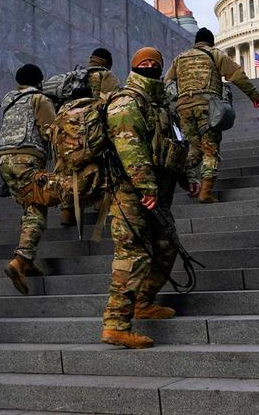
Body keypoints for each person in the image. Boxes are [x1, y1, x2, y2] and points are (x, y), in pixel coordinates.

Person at [101, 48, 183, 349]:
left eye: (154, 64)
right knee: (132, 255)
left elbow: (171, 147)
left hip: (156, 192)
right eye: (143, 64)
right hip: (129, 192)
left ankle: (144, 302)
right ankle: (115, 325)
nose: (149, 67)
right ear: (134, 68)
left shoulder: (160, 104)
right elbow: (129, 146)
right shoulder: (127, 101)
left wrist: (189, 180)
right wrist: (145, 186)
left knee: (166, 246)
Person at [165, 27, 259, 203]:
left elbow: (167, 83)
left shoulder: (180, 58)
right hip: (207, 107)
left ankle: (175, 170)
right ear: (211, 42)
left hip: (184, 108)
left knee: (195, 148)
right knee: (210, 149)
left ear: (196, 42)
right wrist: (254, 96)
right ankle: (206, 192)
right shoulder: (214, 54)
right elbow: (237, 74)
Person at [0, 64, 65, 294]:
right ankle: (20, 260)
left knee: (29, 206)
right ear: (39, 81)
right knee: (38, 208)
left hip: (4, 162)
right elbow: (51, 132)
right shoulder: (39, 99)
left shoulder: (9, 99)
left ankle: (28, 260)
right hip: (26, 159)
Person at [59, 48, 122, 227]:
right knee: (102, 164)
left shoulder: (75, 75)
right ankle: (100, 202)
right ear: (107, 62)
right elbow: (113, 102)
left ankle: (67, 210)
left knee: (68, 168)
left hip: (69, 131)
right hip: (94, 131)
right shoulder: (106, 76)